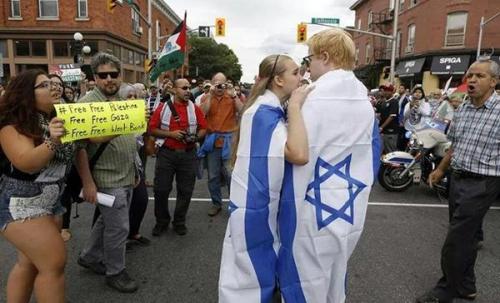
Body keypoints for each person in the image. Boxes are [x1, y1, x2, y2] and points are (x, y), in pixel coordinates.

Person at [277, 28, 381, 303]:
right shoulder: (364, 101)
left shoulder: (311, 99)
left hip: (311, 204)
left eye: (309, 58)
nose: (307, 65)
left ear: (325, 56)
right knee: (336, 271)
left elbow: (293, 151)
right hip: (349, 202)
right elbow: (372, 154)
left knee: (305, 273)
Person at [218, 54, 313, 302]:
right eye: (295, 73)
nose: (301, 77)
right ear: (278, 80)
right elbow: (299, 154)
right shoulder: (262, 113)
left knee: (253, 275)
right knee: (249, 280)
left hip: (256, 207)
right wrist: (294, 106)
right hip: (255, 210)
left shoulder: (263, 108)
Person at [416, 59, 500, 303]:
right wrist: (441, 170)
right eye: (470, 75)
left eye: (479, 76)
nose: (472, 80)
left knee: (457, 239)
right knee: (468, 237)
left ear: (493, 82)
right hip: (457, 178)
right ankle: (466, 286)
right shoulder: (463, 108)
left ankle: (445, 290)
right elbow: (455, 146)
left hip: (484, 182)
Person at [0, 69, 74, 303]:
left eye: (53, 83)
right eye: (43, 85)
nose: (53, 87)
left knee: (29, 263)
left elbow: (90, 141)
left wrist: (133, 120)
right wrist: (52, 140)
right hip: (21, 205)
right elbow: (26, 162)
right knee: (53, 262)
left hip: (51, 201)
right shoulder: (12, 126)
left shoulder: (60, 117)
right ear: (25, 94)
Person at [76, 52, 147, 293]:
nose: (109, 79)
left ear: (120, 75)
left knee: (108, 223)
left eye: (113, 74)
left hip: (126, 174)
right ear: (94, 78)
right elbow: (80, 149)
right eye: (102, 75)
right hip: (106, 178)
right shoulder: (86, 105)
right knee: (119, 227)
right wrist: (88, 183)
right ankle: (115, 272)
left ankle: (89, 256)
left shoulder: (122, 100)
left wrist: (135, 169)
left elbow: (130, 138)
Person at [149, 78, 207, 236]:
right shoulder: (162, 108)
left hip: (188, 154)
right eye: (184, 88)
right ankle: (161, 222)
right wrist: (171, 134)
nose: (188, 90)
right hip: (166, 154)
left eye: (189, 87)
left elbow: (204, 128)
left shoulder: (195, 108)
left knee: (186, 190)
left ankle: (179, 222)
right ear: (174, 90)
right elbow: (152, 129)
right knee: (161, 189)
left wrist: (195, 138)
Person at [199, 72, 244, 216]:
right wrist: (211, 95)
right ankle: (216, 203)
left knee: (231, 175)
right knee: (213, 176)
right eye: (216, 83)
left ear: (226, 83)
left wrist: (234, 94)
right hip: (212, 141)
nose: (219, 86)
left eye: (222, 83)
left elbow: (243, 111)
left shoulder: (232, 97)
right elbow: (201, 113)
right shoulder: (207, 97)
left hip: (229, 141)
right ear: (212, 83)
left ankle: (234, 203)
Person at [376, 84, 399, 153]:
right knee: (382, 150)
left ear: (392, 92)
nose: (385, 92)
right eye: (385, 90)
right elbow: (380, 115)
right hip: (383, 131)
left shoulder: (394, 102)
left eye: (388, 90)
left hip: (391, 131)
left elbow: (391, 116)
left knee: (390, 151)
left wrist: (381, 127)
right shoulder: (384, 102)